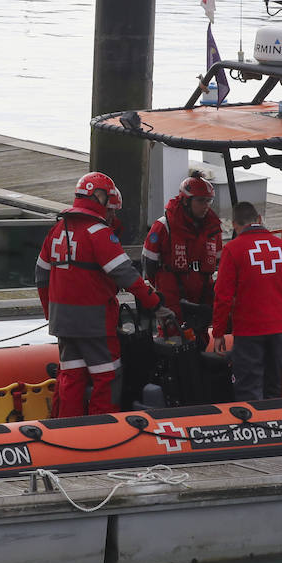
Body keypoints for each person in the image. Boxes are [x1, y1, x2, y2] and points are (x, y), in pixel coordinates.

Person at [36, 172, 167, 417]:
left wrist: (50, 313)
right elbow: (126, 275)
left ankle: (65, 430)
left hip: (63, 322)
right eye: (111, 210)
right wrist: (155, 302)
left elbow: (41, 274)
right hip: (95, 323)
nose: (112, 216)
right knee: (107, 376)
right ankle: (102, 429)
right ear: (100, 198)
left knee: (71, 376)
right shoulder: (99, 233)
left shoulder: (57, 230)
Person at [211, 201, 282, 402]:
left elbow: (223, 296)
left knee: (248, 386)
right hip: (279, 329)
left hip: (249, 330)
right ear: (259, 220)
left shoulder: (233, 249)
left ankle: (251, 428)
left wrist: (219, 332)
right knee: (273, 384)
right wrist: (280, 312)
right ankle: (273, 424)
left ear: (235, 225)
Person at [143, 172, 223, 311]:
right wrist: (163, 286)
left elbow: (220, 263)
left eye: (208, 201)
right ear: (185, 201)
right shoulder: (163, 226)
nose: (206, 206)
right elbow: (149, 263)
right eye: (200, 200)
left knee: (202, 330)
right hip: (172, 296)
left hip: (204, 295)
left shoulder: (213, 229)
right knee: (173, 332)